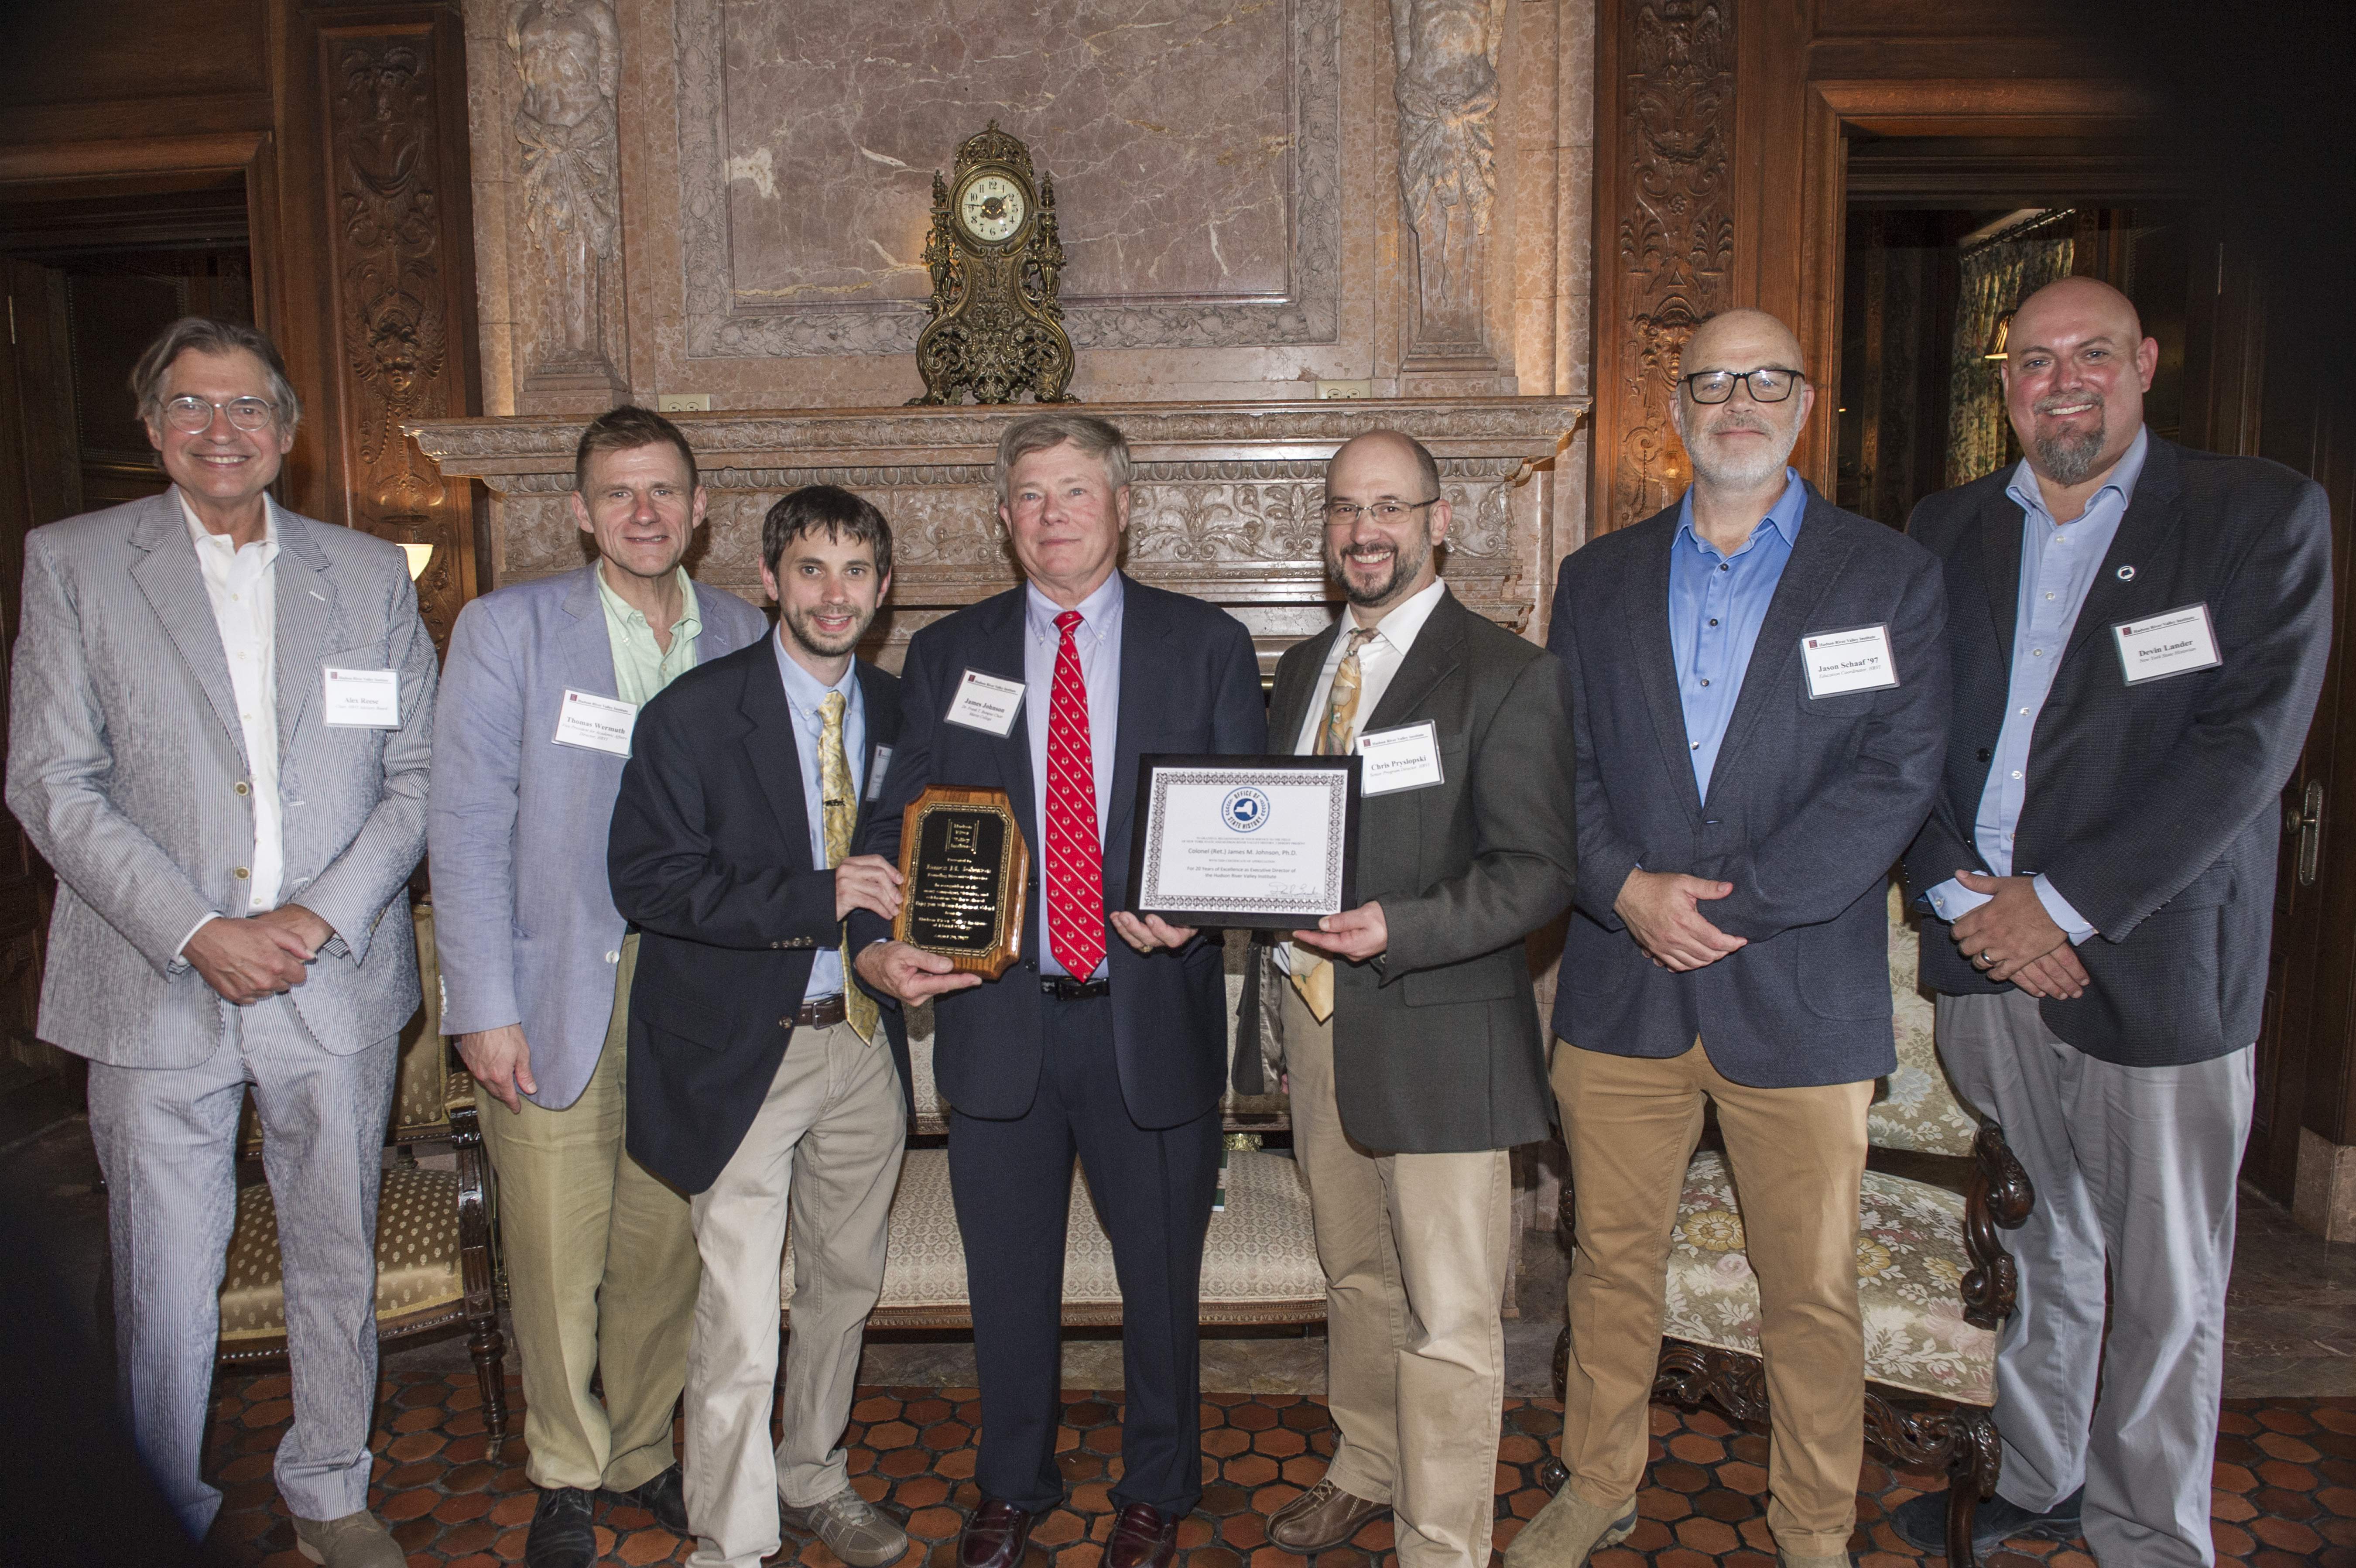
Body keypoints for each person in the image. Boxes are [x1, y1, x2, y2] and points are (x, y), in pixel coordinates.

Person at [1891, 276, 2331, 1567]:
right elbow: (1906, 740)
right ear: (2006, 384)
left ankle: (2147, 1530)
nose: (2063, 381)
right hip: (1986, 954)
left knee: (2168, 1280)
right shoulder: (1946, 525)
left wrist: (2060, 904)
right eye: (2035, 360)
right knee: (2038, 1244)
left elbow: (2246, 750)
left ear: (2145, 363)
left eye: (2092, 354)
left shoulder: (2256, 516)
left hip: (2154, 957)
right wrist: (1974, 901)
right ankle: (2038, 1477)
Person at [1514, 308, 1950, 1568]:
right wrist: (1626, 888)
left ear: (1806, 403)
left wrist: (1728, 904)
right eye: (1714, 381)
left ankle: (1814, 1526)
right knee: (1607, 1268)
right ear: (1680, 406)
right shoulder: (1599, 577)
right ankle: (1595, 1484)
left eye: (1768, 380)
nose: (1740, 401)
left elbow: (1897, 775)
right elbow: (1567, 767)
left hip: (1800, 993)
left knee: (1810, 1294)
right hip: (1622, 986)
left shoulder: (1888, 575)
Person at [5, 317, 437, 1567]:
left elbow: (414, 773)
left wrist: (313, 916)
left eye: (246, 407)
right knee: (161, 1280)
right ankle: (158, 1513)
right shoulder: (76, 561)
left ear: (289, 432)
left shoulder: (365, 576)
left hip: (332, 979)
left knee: (332, 1245)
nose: (220, 430)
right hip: (151, 982)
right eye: (191, 407)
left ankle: (331, 1489)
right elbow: (52, 782)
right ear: (151, 426)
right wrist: (198, 930)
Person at [849, 413, 1265, 1568]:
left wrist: (1211, 905)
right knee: (1010, 1283)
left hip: (1153, 1019)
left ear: (1123, 504)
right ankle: (1012, 1483)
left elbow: (1253, 822)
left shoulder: (1207, 645)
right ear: (1004, 517)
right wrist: (876, 938)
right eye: (1030, 495)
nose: (1052, 515)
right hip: (1000, 1026)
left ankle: (1156, 1487)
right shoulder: (947, 655)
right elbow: (894, 825)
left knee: (1159, 1284)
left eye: (1075, 491)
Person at [429, 404, 768, 1565]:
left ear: (700, 507)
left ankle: (639, 1452)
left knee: (663, 1242)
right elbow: (466, 828)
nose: (643, 513)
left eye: (664, 491)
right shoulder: (505, 629)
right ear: (578, 512)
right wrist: (479, 1005)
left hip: (696, 997)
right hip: (553, 992)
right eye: (618, 493)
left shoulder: (740, 631)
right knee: (557, 1250)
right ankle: (565, 1467)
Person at [1259, 431, 1576, 1568]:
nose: (1365, 530)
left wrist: (1403, 926)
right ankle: (1367, 1466)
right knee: (1355, 1276)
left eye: (1391, 506)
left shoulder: (1506, 673)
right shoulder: (1302, 672)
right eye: (1346, 508)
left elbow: (1540, 868)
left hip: (1439, 1028)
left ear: (1442, 521)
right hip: (1318, 1024)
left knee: (1450, 1318)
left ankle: (1442, 1543)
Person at [610, 485, 915, 1568]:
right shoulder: (693, 715)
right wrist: (816, 896)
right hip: (744, 1051)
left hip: (864, 1044)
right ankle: (730, 1542)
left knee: (845, 1285)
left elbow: (895, 863)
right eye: (812, 570)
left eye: (857, 573)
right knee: (739, 1314)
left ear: (883, 591)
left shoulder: (896, 708)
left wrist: (882, 941)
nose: (835, 595)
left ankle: (814, 1476)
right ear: (771, 578)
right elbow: (648, 882)